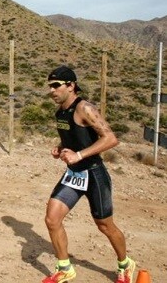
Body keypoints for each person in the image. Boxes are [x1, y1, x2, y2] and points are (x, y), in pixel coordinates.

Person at [42, 66, 136, 283]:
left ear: (71, 85)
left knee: (104, 225)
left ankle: (125, 264)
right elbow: (74, 137)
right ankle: (65, 268)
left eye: (56, 86)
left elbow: (111, 138)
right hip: (74, 174)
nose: (51, 91)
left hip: (94, 174)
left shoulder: (84, 108)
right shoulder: (61, 112)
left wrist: (79, 155)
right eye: (49, 86)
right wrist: (60, 148)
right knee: (52, 218)